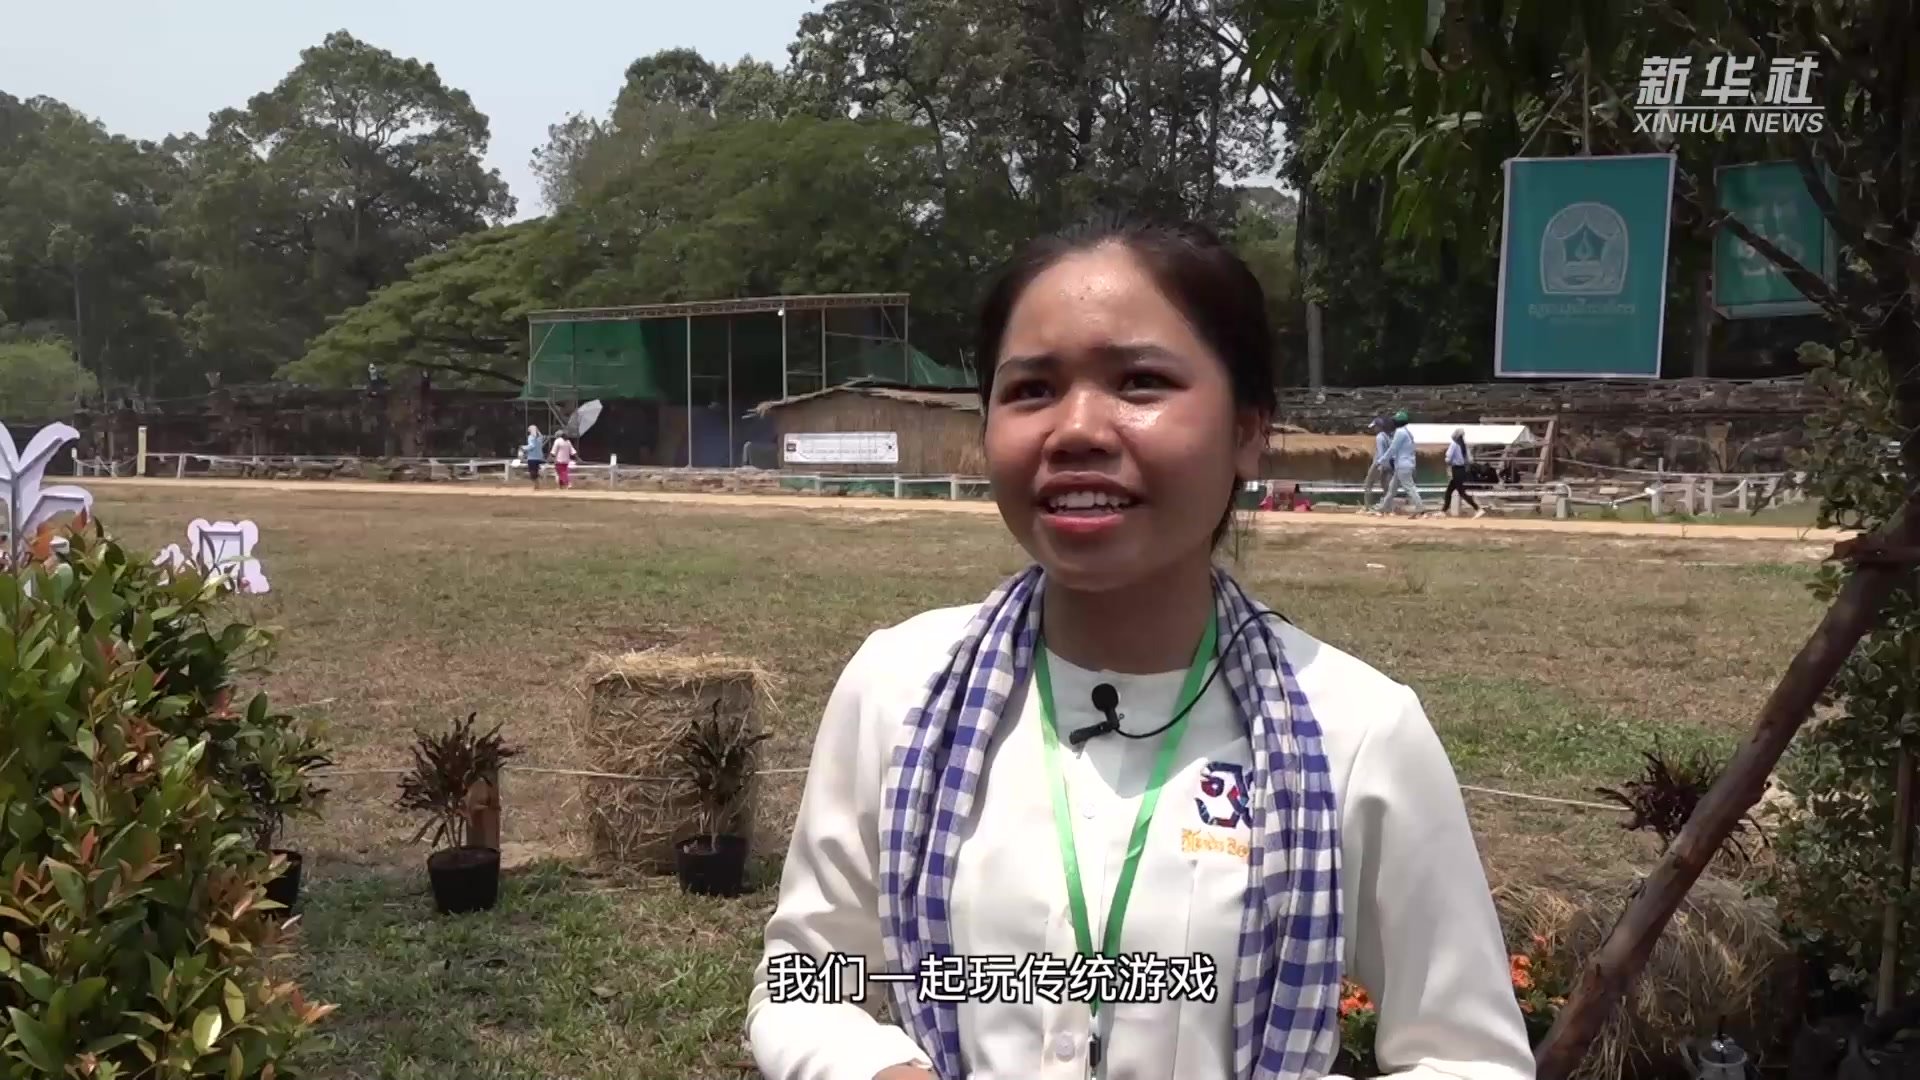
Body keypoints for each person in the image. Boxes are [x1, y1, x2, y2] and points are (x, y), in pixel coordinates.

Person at [746, 215, 1532, 1080]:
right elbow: (805, 984)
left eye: (1142, 381)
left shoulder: (1358, 733)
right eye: (1032, 390)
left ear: (1248, 430)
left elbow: (1471, 1059)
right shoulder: (896, 689)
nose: (1077, 429)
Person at [1373, 410, 1425, 516]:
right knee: (1392, 488)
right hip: (1402, 464)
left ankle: (1420, 507)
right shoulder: (1406, 432)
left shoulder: (1400, 432)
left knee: (1409, 487)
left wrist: (1381, 461)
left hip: (1403, 464)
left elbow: (1393, 448)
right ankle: (1383, 507)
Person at [1444, 428, 1487, 519]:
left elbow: (1448, 457)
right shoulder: (1464, 446)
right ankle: (1443, 510)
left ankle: (1478, 508)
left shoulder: (1454, 444)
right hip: (1462, 470)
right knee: (1450, 490)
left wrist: (1449, 462)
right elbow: (1470, 460)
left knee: (1461, 492)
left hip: (1456, 469)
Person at [1360, 416, 1390, 514]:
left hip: (1378, 464)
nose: (1373, 429)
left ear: (1378, 427)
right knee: (1385, 487)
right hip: (1387, 464)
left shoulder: (1379, 437)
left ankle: (1368, 507)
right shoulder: (1386, 436)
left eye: (1374, 427)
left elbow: (1381, 453)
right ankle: (1387, 508)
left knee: (1368, 484)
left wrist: (1379, 465)